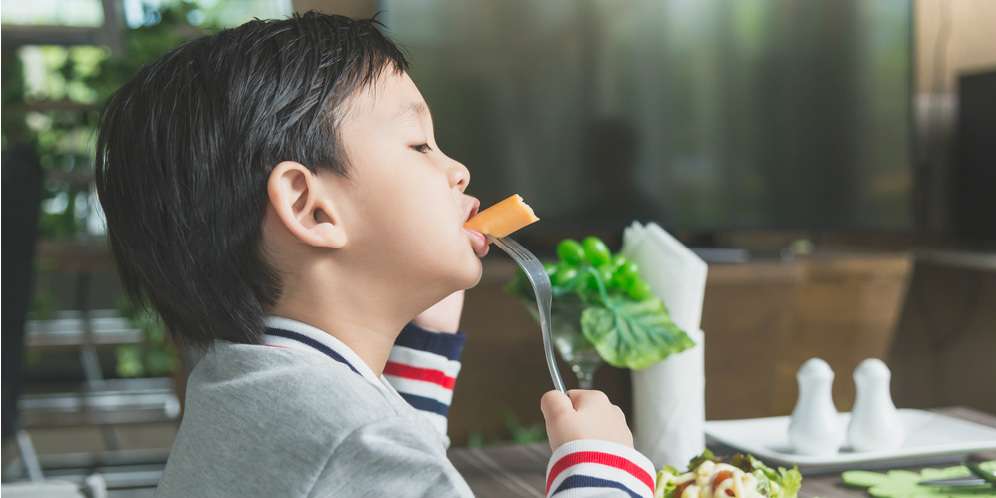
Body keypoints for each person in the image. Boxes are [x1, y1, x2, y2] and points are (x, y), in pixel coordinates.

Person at [94, 12, 656, 498]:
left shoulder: (241, 386)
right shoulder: (357, 442)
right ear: (311, 208)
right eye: (419, 146)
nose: (458, 171)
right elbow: (374, 457)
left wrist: (424, 357)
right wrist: (602, 471)